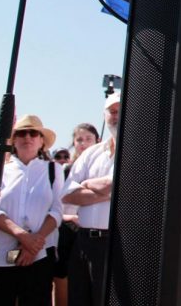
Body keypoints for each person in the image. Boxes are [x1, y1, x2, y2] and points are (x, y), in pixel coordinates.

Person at [0, 115, 64, 306]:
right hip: (2, 256)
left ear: (41, 141)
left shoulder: (54, 170)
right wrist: (22, 236)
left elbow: (56, 210)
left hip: (39, 255)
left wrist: (34, 244)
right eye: (22, 133)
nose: (27, 137)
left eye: (33, 133)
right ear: (14, 140)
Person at [63, 94, 119, 306]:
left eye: (120, 110)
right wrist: (108, 190)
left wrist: (86, 183)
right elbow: (68, 193)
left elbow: (120, 186)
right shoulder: (91, 154)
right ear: (104, 115)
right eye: (111, 111)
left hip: (112, 245)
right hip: (83, 242)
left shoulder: (137, 150)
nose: (115, 116)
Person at [54, 123, 100, 306]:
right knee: (63, 275)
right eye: (79, 140)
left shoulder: (105, 166)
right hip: (68, 229)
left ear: (97, 140)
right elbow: (60, 201)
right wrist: (69, 218)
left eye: (88, 139)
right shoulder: (66, 170)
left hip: (94, 232)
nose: (83, 143)